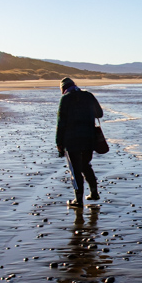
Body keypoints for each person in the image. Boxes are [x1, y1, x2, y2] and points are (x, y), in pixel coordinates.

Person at [56, 77, 103, 207]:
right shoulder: (88, 95)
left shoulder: (65, 99)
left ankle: (78, 200)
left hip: (71, 140)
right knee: (85, 165)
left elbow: (61, 123)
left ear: (63, 88)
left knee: (75, 170)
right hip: (89, 138)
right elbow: (99, 113)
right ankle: (94, 193)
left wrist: (58, 142)